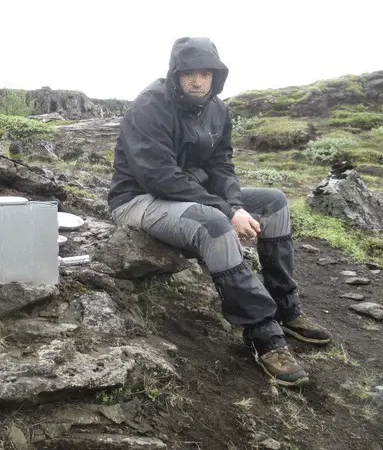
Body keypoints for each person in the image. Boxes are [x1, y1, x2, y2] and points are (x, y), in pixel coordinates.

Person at [107, 36, 332, 387]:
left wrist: (237, 205)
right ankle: (265, 338)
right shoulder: (149, 106)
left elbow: (222, 165)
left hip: (193, 195)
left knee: (274, 202)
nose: (198, 81)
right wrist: (227, 212)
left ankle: (287, 309)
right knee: (213, 224)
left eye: (206, 74)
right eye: (189, 73)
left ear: (216, 76)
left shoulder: (217, 109)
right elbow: (160, 177)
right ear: (175, 74)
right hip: (139, 199)